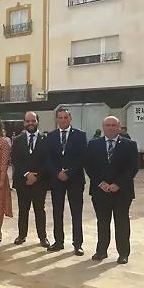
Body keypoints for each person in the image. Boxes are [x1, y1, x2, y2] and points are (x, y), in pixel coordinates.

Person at [85, 116, 138, 264]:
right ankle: (101, 251)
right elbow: (89, 166)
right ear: (103, 127)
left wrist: (118, 184)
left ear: (119, 127)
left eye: (113, 125)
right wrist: (100, 183)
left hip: (122, 192)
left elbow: (133, 167)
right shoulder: (93, 144)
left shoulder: (130, 145)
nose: (110, 128)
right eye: (107, 125)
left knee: (121, 223)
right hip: (100, 191)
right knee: (102, 223)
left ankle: (123, 253)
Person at [46, 108, 87, 256]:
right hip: (57, 180)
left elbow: (83, 157)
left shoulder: (80, 136)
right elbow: (48, 158)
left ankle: (78, 244)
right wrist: (57, 172)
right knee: (58, 212)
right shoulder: (51, 136)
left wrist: (68, 172)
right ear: (57, 119)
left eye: (65, 117)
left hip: (75, 179)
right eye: (60, 118)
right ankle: (58, 241)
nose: (63, 120)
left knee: (76, 212)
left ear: (70, 119)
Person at [11, 112, 50, 248]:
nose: (30, 123)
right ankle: (22, 235)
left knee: (39, 210)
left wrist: (36, 176)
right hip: (23, 181)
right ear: (24, 123)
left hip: (40, 182)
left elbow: (47, 160)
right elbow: (15, 159)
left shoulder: (46, 139)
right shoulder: (18, 140)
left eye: (33, 120)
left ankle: (43, 237)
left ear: (38, 122)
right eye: (28, 121)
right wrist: (27, 174)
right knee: (23, 210)